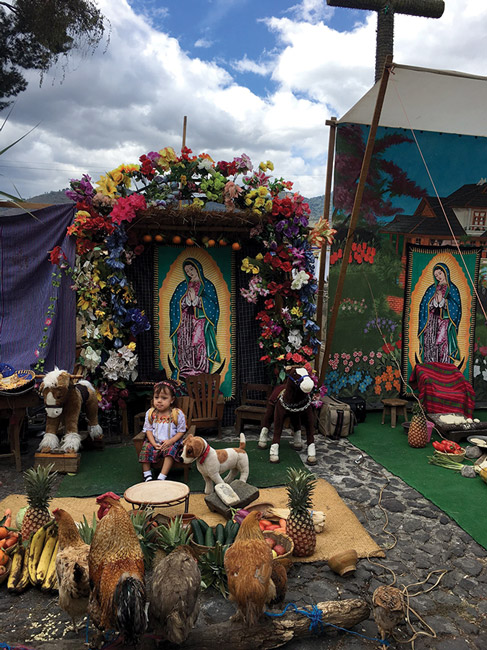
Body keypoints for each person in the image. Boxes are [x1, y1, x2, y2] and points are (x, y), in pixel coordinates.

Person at [169, 257, 220, 380]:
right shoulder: (182, 286)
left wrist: (197, 300)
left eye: (191, 269)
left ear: (198, 268)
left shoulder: (207, 285)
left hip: (200, 321)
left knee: (198, 343)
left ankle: (201, 370)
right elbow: (174, 304)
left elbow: (214, 306)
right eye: (187, 271)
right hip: (185, 321)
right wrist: (186, 301)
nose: (190, 272)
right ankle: (186, 369)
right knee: (185, 344)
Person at [138, 380, 186, 481]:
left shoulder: (176, 414)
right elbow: (149, 430)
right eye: (156, 397)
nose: (159, 401)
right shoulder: (151, 413)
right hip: (155, 442)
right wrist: (153, 443)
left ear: (172, 400)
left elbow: (181, 431)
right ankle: (148, 476)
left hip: (171, 442)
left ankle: (162, 476)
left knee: (170, 451)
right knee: (145, 448)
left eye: (164, 398)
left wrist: (170, 441)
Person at [418, 262, 461, 364]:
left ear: (446, 272)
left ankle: (444, 365)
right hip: (431, 321)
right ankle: (431, 364)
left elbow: (456, 307)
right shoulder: (432, 288)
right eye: (436, 275)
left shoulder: (453, 289)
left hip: (444, 321)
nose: (438, 277)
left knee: (442, 343)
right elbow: (424, 304)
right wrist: (434, 302)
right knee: (431, 342)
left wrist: (443, 302)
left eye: (440, 273)